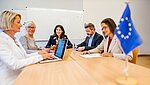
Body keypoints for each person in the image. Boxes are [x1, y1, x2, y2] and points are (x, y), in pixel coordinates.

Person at [0, 10, 52, 85]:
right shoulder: (2, 40)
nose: (21, 25)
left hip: (22, 74)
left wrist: (39, 54)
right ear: (9, 23)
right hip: (11, 81)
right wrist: (40, 57)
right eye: (18, 22)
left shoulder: (15, 39)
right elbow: (14, 64)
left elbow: (24, 56)